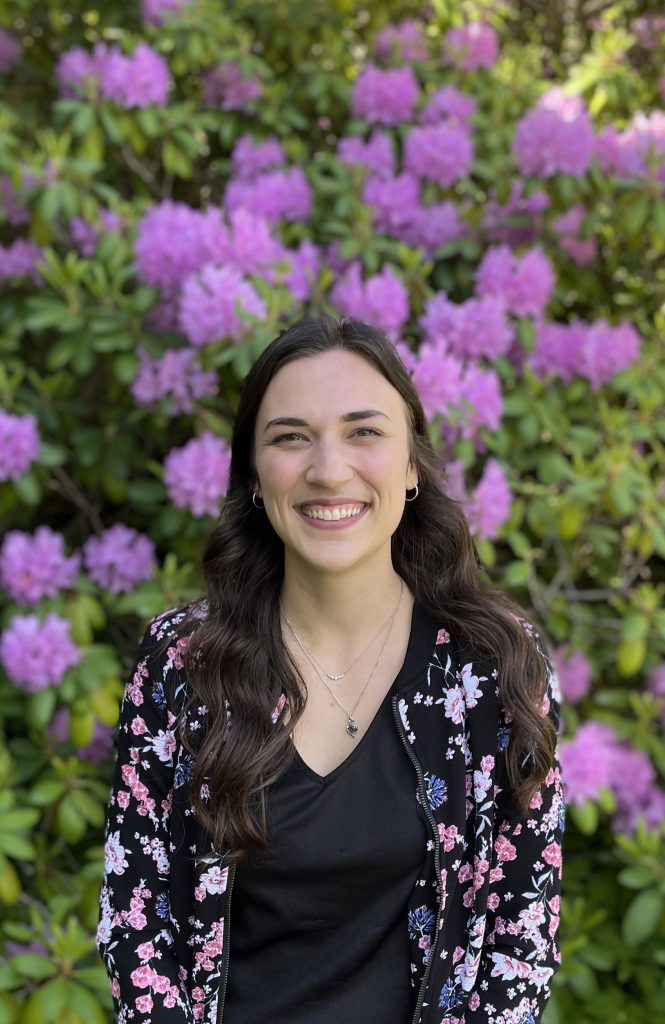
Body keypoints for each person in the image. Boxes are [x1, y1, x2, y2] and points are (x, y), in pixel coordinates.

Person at [96, 315, 564, 1024]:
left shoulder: (495, 671)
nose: (327, 468)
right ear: (255, 477)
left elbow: (520, 939)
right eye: (291, 437)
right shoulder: (183, 665)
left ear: (411, 466)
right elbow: (135, 925)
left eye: (364, 432)